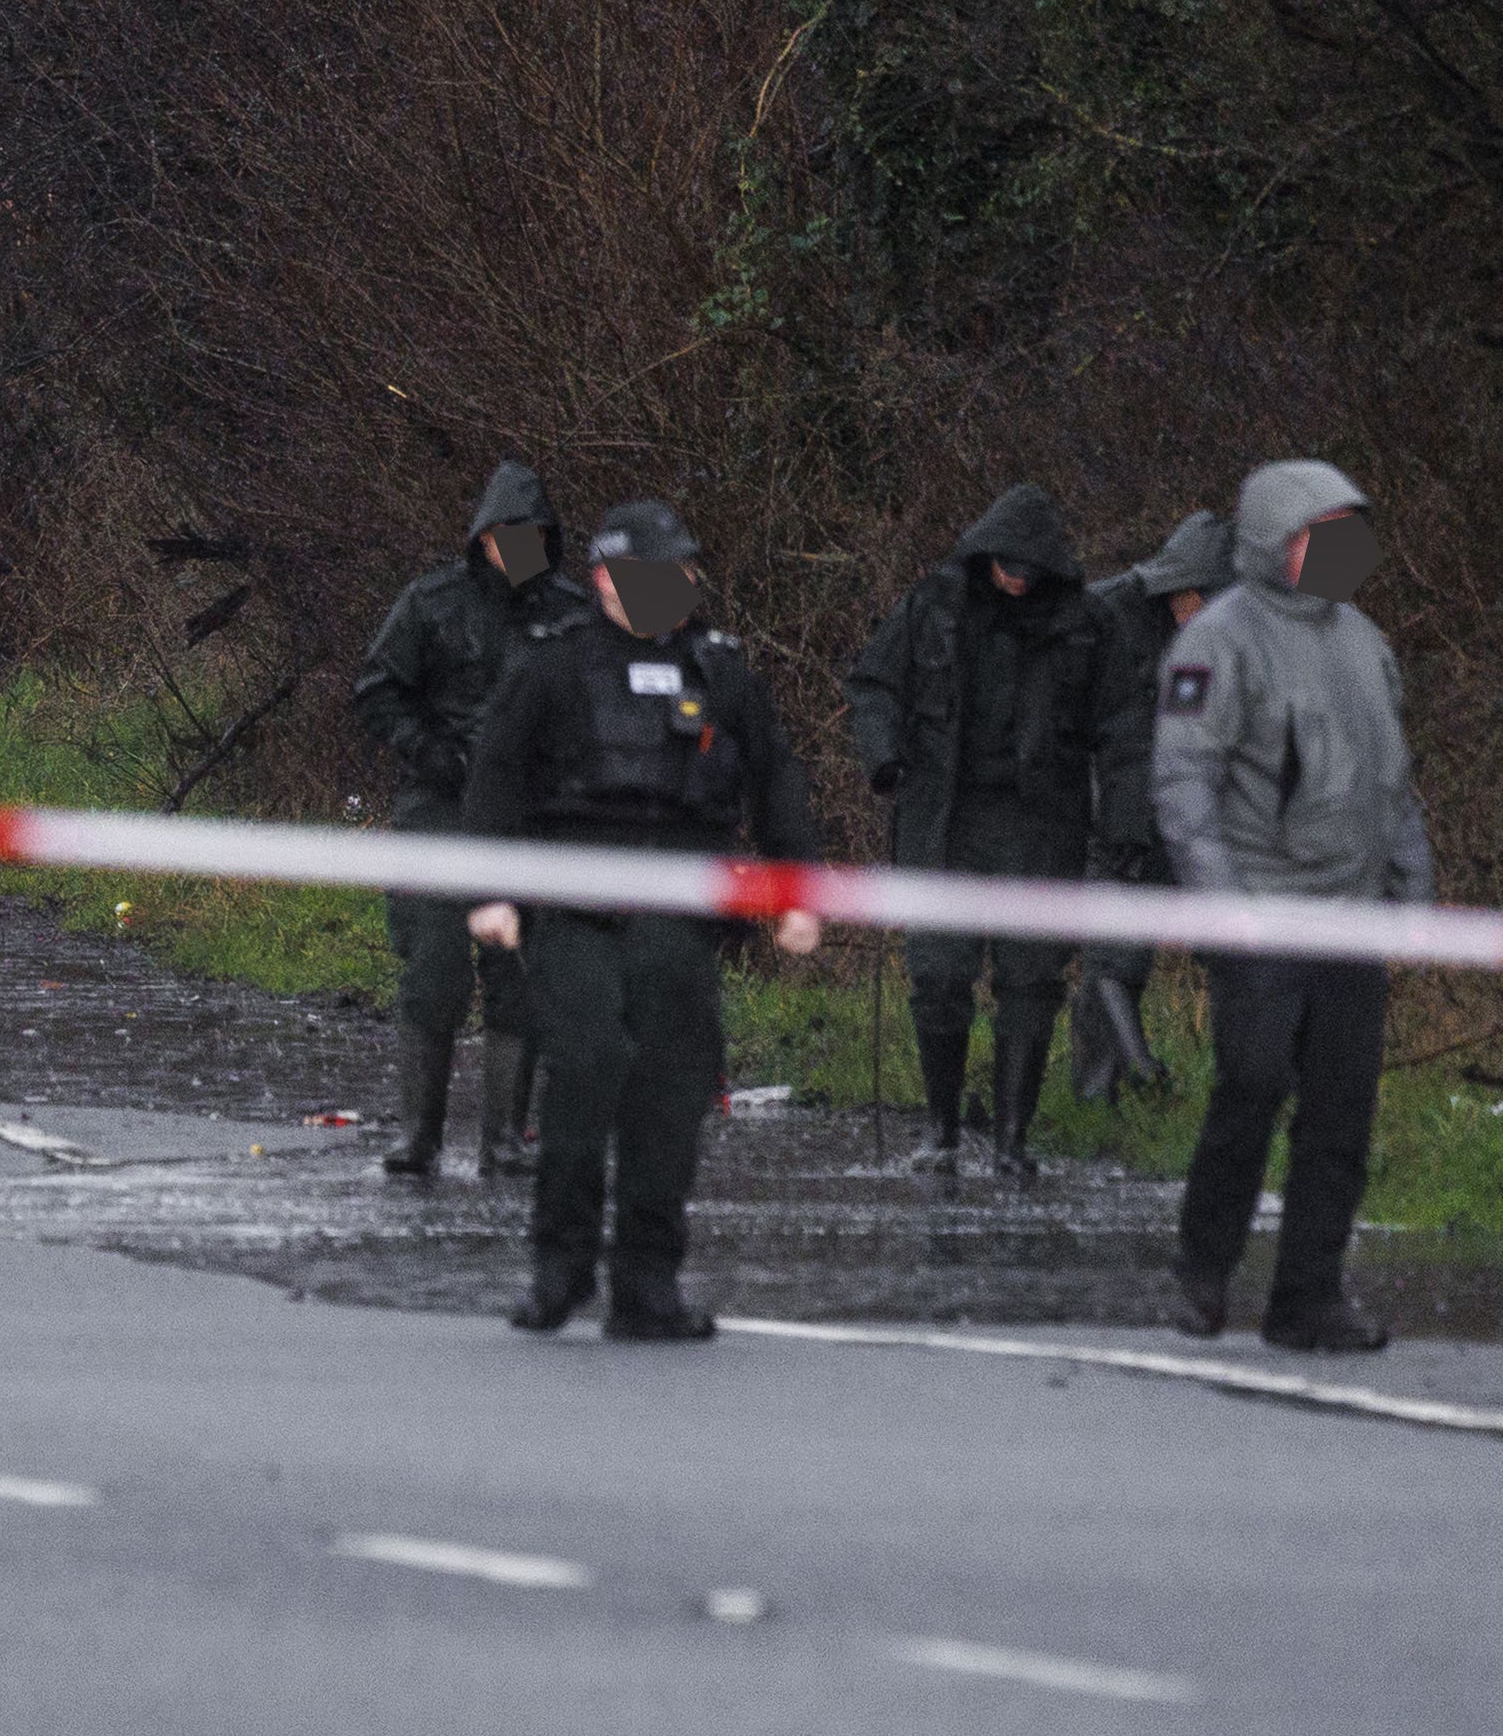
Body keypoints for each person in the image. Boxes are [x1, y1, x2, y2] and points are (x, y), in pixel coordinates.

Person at [464, 497, 826, 1341]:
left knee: (671, 1092)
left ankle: (648, 1283)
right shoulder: (552, 667)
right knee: (585, 1068)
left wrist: (796, 891)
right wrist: (486, 891)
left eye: (681, 575)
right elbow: (496, 778)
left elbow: (776, 780)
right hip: (575, 909)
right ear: (604, 580)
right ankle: (559, 1269)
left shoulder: (720, 670)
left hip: (679, 911)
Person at [1150, 461, 1423, 1352]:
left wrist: (1410, 893)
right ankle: (1201, 1274)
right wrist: (1225, 909)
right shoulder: (1217, 641)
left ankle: (1307, 1294)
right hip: (1261, 917)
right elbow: (1184, 785)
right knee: (1251, 1088)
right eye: (1321, 530)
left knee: (1343, 1110)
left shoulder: (1365, 642)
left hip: (1349, 923)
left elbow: (1394, 784)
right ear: (1275, 538)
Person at [836, 484, 1105, 1177]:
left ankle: (1014, 1138)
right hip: (944, 820)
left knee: (1030, 977)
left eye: (1029, 564)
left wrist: (1121, 819)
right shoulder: (934, 606)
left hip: (1038, 824)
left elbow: (1120, 726)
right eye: (1005, 561)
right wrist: (885, 755)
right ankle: (941, 1128)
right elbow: (872, 682)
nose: (1016, 574)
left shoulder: (1082, 623)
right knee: (939, 972)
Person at [349, 461, 582, 1179]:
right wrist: (429, 747)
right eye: (506, 535)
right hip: (440, 810)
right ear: (482, 538)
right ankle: (419, 1135)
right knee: (434, 972)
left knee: (519, 975)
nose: (518, 548)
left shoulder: (569, 614)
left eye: (532, 536)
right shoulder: (432, 604)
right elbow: (377, 689)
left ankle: (505, 1137)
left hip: (527, 820)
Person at [1069, 506, 1232, 1103]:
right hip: (1109, 809)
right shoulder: (1106, 612)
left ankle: (1237, 1089)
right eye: (1193, 599)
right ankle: (1119, 1085)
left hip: (1184, 816)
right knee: (1115, 959)